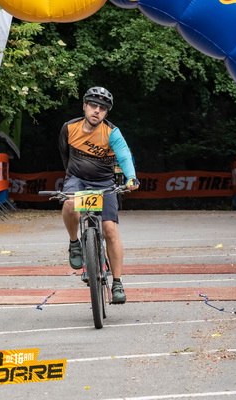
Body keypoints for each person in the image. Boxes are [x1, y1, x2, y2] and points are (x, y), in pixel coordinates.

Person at [59, 86, 139, 304]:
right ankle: (74, 243)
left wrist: (131, 177)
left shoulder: (112, 132)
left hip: (104, 182)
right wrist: (71, 179)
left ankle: (117, 282)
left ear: (106, 113)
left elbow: (124, 156)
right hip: (77, 178)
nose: (97, 110)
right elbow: (65, 157)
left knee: (110, 230)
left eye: (102, 108)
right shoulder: (69, 128)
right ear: (84, 106)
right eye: (93, 105)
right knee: (69, 203)